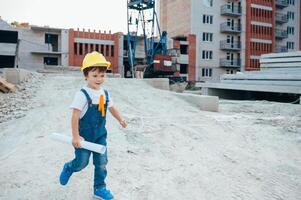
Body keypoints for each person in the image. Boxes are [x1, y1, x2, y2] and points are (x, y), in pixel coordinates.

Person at [59, 51, 127, 199]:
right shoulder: (82, 94)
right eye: (94, 75)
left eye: (102, 75)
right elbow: (75, 116)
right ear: (86, 75)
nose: (99, 79)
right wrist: (76, 136)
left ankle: (99, 188)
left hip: (100, 136)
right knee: (82, 163)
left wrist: (120, 119)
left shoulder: (105, 94)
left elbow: (112, 108)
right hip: (84, 138)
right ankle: (69, 167)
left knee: (101, 163)